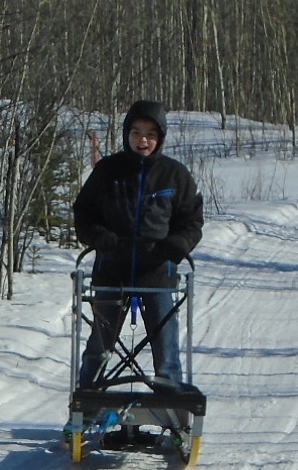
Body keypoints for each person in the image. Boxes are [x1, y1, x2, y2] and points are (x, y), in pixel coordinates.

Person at [73, 100, 203, 391]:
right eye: (136, 132)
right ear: (126, 135)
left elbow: (192, 221)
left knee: (166, 346)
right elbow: (83, 214)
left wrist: (178, 245)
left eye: (150, 134)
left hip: (158, 272)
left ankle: (172, 410)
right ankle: (85, 407)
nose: (142, 140)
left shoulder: (175, 175)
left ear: (160, 137)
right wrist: (99, 237)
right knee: (100, 345)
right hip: (112, 271)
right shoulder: (108, 171)